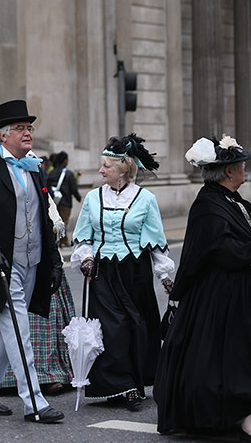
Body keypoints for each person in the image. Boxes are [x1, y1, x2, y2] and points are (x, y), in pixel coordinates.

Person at [0, 100, 64, 423]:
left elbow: (44, 220)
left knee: (5, 333)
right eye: (20, 128)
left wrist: (55, 260)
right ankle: (34, 402)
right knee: (19, 330)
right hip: (2, 264)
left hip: (32, 261)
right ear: (2, 136)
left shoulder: (34, 168)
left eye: (29, 127)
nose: (27, 133)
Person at [155, 135, 251, 439]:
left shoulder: (232, 200)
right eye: (240, 164)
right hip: (219, 296)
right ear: (228, 171)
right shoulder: (207, 205)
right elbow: (225, 251)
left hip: (239, 293)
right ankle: (232, 413)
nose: (244, 168)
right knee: (224, 357)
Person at [70, 133, 174, 411]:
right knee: (112, 329)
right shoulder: (92, 198)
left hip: (134, 272)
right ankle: (121, 386)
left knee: (136, 327)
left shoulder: (145, 199)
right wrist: (86, 258)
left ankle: (132, 383)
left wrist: (164, 275)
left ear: (123, 170)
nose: (101, 170)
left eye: (107, 166)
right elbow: (82, 237)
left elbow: (155, 240)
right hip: (103, 271)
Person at [47, 151, 81, 247]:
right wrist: (78, 197)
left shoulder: (52, 173)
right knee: (64, 221)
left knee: (56, 220)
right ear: (65, 160)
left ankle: (61, 240)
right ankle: (62, 241)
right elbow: (73, 187)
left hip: (54, 201)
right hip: (65, 201)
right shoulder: (68, 173)